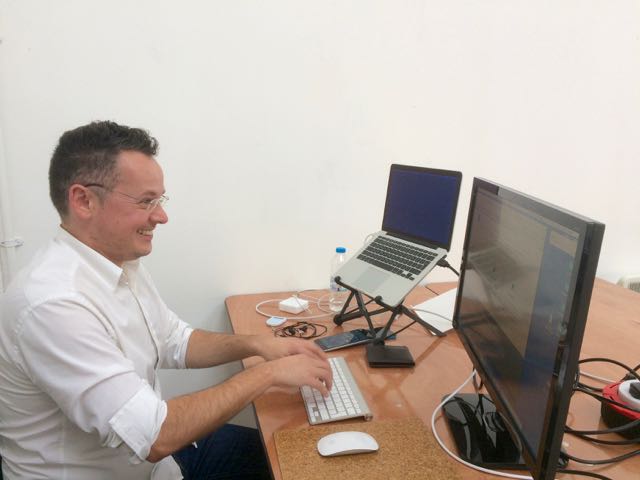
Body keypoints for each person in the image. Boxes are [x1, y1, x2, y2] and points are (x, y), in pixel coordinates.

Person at [0, 121, 333, 479]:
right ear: (84, 201)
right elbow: (154, 435)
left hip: (159, 467)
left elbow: (175, 340)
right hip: (140, 460)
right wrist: (267, 374)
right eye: (146, 201)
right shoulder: (52, 304)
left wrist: (257, 344)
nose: (161, 216)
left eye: (159, 200)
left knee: (295, 453)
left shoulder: (120, 262)